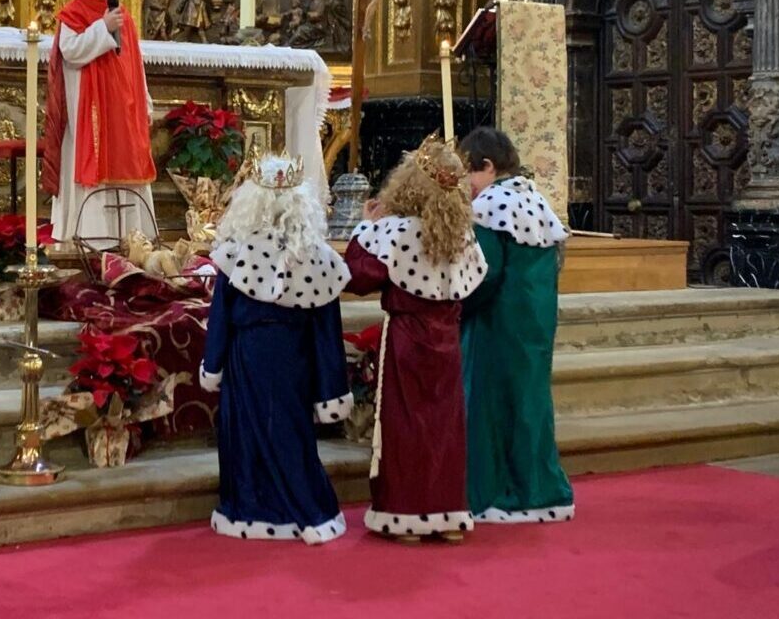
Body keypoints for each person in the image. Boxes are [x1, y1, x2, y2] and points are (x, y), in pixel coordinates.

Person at [200, 153, 352, 544]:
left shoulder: (237, 252)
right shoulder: (318, 257)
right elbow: (327, 332)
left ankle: (250, 508)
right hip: (294, 360)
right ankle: (305, 510)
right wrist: (331, 391)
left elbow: (220, 318)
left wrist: (212, 366)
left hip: (247, 357)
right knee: (291, 433)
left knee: (248, 435)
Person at [344, 134, 487, 542]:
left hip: (407, 338)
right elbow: (475, 280)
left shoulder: (397, 231)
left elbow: (358, 276)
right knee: (444, 427)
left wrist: (365, 225)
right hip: (447, 339)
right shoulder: (460, 234)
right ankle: (447, 516)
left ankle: (405, 515)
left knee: (406, 426)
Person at [459, 126, 575, 523]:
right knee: (530, 405)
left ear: (487, 166)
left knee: (492, 410)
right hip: (535, 326)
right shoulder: (534, 200)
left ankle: (500, 493)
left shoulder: (491, 206)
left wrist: (454, 307)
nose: (468, 185)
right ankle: (542, 490)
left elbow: (484, 274)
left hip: (497, 326)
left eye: (469, 173)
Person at [42, 0, 157, 246]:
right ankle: (92, 234)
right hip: (89, 108)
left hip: (122, 108)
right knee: (92, 158)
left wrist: (145, 101)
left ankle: (131, 236)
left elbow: (134, 62)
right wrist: (102, 28)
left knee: (128, 159)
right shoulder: (75, 11)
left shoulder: (123, 15)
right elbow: (70, 51)